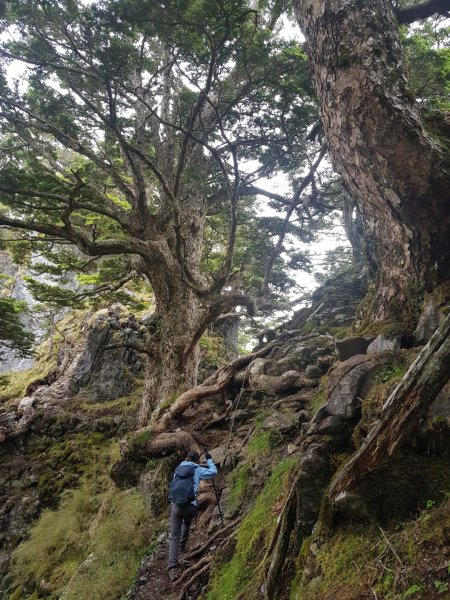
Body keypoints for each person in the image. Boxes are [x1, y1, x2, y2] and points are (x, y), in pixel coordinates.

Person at [167, 449, 217, 581]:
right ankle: (183, 546)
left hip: (176, 507)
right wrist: (209, 459)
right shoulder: (197, 469)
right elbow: (214, 472)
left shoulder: (178, 469)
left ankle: (172, 567)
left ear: (186, 458)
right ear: (196, 460)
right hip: (189, 507)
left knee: (174, 536)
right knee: (187, 520)